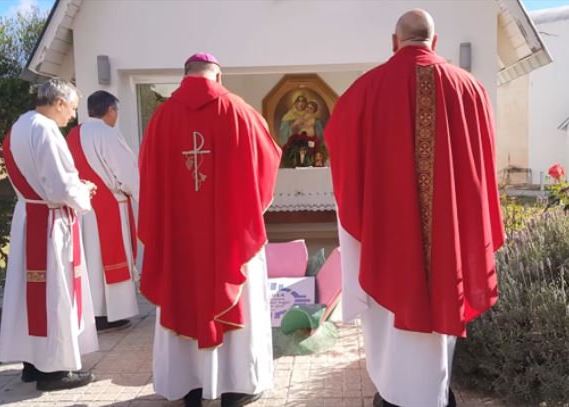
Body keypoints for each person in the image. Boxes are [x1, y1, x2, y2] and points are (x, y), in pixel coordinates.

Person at [324, 10, 504, 407]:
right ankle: (434, 394)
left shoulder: (365, 90)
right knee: (440, 311)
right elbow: (481, 166)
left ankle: (393, 394)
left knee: (390, 322)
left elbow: (336, 143)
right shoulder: (469, 89)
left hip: (388, 242)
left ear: (394, 41)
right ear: (435, 42)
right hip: (448, 238)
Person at [138, 52, 281, 407]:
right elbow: (267, 163)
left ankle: (189, 387)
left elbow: (148, 174)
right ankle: (237, 386)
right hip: (231, 236)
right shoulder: (239, 111)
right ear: (217, 75)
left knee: (181, 292)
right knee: (237, 298)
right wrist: (249, 210)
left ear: (185, 75)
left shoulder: (161, 117)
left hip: (179, 236)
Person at [0, 78, 99, 391]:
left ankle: (32, 361)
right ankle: (54, 371)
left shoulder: (20, 125)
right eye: (71, 109)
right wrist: (85, 191)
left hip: (29, 216)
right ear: (58, 102)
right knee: (55, 293)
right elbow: (59, 186)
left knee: (31, 298)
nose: (72, 116)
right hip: (51, 222)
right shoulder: (46, 130)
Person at [67, 90, 140, 332]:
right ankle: (112, 312)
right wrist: (136, 192)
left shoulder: (74, 134)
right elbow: (125, 169)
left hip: (84, 207)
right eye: (116, 111)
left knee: (90, 260)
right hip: (110, 204)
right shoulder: (107, 134)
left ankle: (93, 311)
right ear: (110, 110)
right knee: (107, 258)